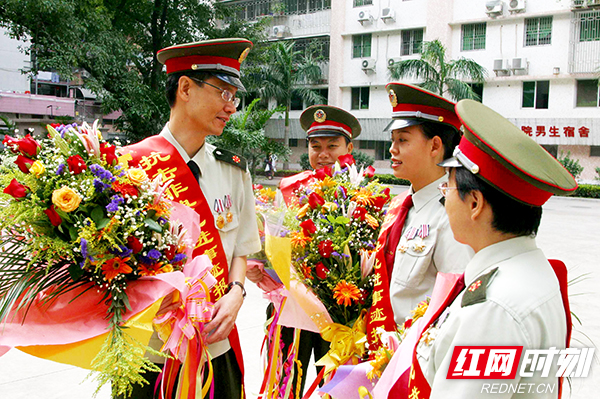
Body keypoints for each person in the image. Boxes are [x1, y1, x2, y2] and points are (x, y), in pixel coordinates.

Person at [401, 99, 577, 398]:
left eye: (449, 187)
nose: (444, 199)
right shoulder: (530, 268)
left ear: (474, 204)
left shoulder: (491, 309)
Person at [122, 38, 261, 399]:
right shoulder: (130, 167)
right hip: (150, 353)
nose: (231, 107)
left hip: (216, 345)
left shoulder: (233, 170)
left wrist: (236, 293)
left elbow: (241, 249)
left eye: (234, 96)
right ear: (185, 87)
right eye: (223, 93)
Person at [247, 104, 360, 396]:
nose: (322, 154)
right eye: (315, 146)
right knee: (284, 386)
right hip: (290, 308)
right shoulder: (289, 188)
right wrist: (259, 266)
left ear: (349, 147)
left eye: (332, 146)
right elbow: (271, 241)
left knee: (336, 389)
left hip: (338, 315)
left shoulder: (363, 194)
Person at [366, 83, 472, 346]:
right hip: (384, 353)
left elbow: (456, 300)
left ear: (435, 146)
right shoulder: (401, 206)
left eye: (402, 140)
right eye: (393, 140)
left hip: (416, 358)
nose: (392, 149)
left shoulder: (451, 213)